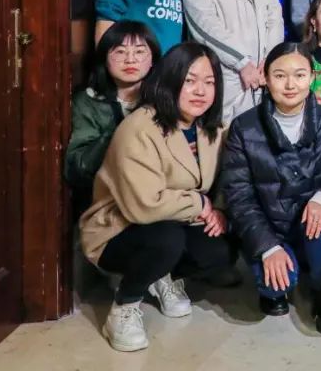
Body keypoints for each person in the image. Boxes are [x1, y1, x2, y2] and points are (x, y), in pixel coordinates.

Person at [80, 43, 234, 352]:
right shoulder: (140, 127)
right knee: (166, 240)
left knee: (220, 249)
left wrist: (217, 209)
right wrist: (200, 204)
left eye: (209, 82)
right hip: (119, 229)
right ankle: (124, 306)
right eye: (190, 81)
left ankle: (163, 276)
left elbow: (222, 181)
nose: (200, 91)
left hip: (177, 220)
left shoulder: (210, 128)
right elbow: (144, 206)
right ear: (169, 80)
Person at [221, 43, 321, 331]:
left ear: (312, 78)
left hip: (313, 223)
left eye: (299, 75)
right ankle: (280, 272)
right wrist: (267, 246)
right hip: (271, 226)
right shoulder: (244, 128)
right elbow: (239, 196)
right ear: (266, 78)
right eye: (280, 75)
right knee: (274, 284)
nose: (290, 85)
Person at [65, 21, 161, 216]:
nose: (130, 60)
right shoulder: (88, 102)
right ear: (105, 59)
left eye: (140, 51)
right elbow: (77, 170)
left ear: (153, 59)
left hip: (155, 199)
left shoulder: (163, 102)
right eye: (120, 51)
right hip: (105, 203)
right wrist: (119, 132)